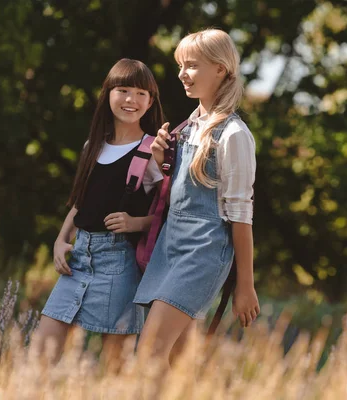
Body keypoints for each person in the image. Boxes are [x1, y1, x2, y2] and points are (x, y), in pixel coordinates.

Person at [133, 28, 259, 366]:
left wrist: (244, 284)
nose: (182, 75)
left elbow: (240, 215)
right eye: (180, 66)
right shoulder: (187, 128)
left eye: (191, 66)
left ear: (220, 69)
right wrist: (162, 164)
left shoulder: (234, 135)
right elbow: (176, 194)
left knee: (149, 352)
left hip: (203, 253)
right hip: (169, 247)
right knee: (174, 362)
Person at [32, 58, 165, 363]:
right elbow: (80, 201)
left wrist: (136, 223)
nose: (131, 99)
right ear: (108, 94)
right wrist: (61, 240)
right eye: (123, 90)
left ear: (150, 102)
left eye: (141, 93)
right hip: (79, 259)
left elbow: (169, 213)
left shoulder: (152, 151)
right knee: (40, 354)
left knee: (113, 366)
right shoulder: (93, 145)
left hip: (120, 263)